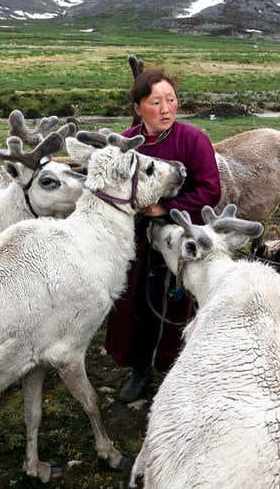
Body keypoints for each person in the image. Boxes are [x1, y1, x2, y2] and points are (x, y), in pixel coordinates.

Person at [105, 65, 221, 402]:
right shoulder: (127, 144)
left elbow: (210, 191)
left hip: (179, 236)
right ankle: (139, 370)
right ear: (138, 107)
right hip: (137, 239)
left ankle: (176, 371)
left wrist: (165, 209)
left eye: (171, 100)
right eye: (156, 102)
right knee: (134, 303)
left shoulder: (193, 140)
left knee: (176, 306)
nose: (166, 109)